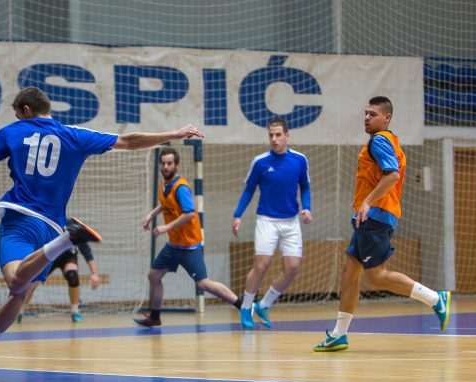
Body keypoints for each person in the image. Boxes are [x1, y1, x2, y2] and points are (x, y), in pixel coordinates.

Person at [0, 86, 204, 367]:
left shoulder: (12, 132)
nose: (17, 119)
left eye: (18, 114)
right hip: (51, 228)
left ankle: (68, 240)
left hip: (20, 220)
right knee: (18, 293)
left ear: (26, 110)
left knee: (15, 282)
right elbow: (129, 141)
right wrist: (173, 134)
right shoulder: (74, 135)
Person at [314, 96, 451, 352]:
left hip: (376, 216)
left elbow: (392, 175)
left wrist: (367, 202)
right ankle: (339, 334)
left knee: (376, 276)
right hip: (373, 216)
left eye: (373, 114)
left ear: (386, 118)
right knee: (350, 272)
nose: (367, 118)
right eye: (366, 113)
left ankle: (435, 298)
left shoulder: (379, 141)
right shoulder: (391, 141)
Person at [132, 147, 242, 328]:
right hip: (173, 246)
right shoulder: (164, 185)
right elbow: (165, 203)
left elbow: (190, 213)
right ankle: (155, 317)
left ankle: (242, 306)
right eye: (163, 163)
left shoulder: (181, 187)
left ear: (176, 165)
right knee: (154, 275)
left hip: (189, 246)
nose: (165, 167)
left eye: (169, 163)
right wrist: (151, 214)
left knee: (203, 284)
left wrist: (166, 227)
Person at [232, 119, 312, 329]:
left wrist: (307, 207)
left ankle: (264, 305)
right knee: (262, 265)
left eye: (278, 135)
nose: (274, 139)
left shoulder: (299, 160)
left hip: (291, 221)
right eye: (271, 135)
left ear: (287, 135)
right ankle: (246, 307)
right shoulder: (260, 162)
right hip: (267, 220)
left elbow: (305, 186)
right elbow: (249, 190)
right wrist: (238, 215)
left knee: (293, 267)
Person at [20, 239, 100, 322]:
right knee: (33, 282)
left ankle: (75, 311)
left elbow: (85, 249)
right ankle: (19, 311)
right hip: (50, 256)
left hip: (68, 256)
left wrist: (94, 273)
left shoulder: (74, 230)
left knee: (72, 276)